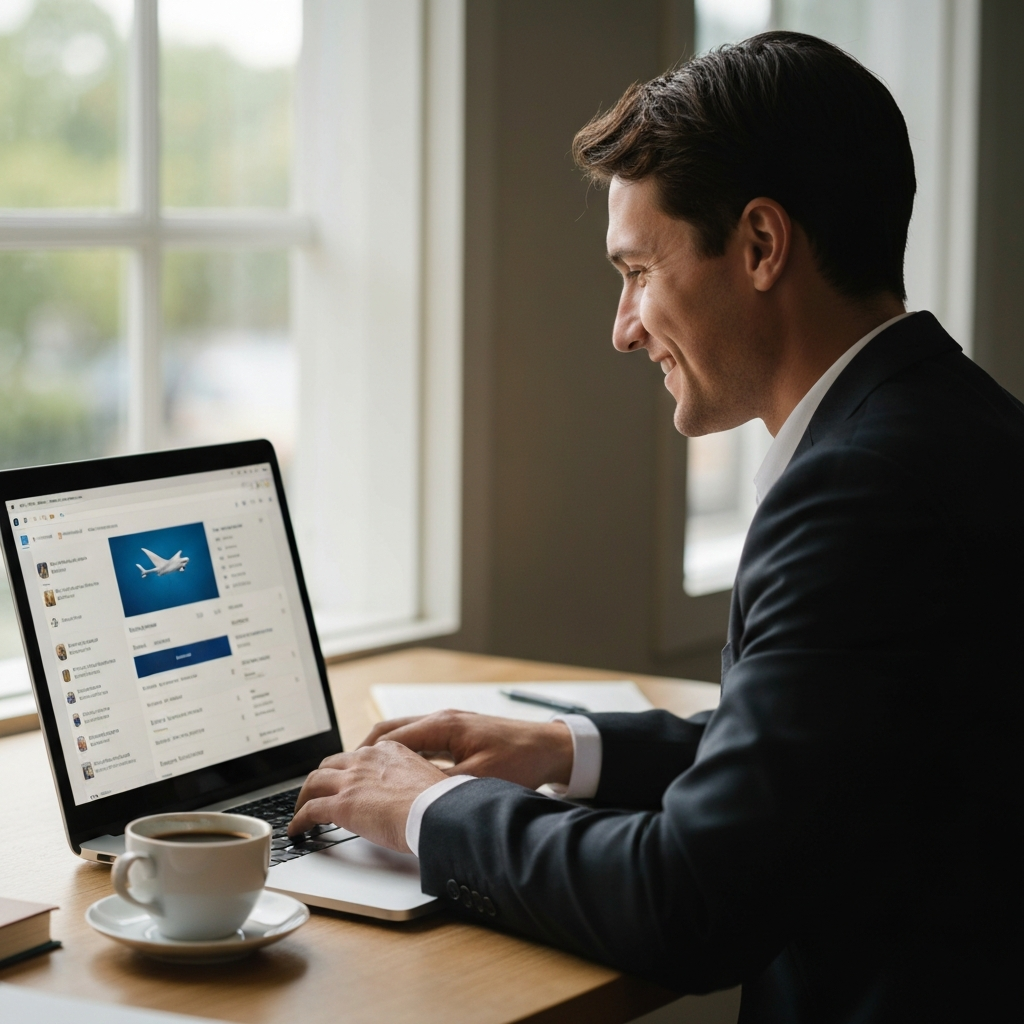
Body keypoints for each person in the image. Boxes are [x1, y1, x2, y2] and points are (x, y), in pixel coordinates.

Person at [289, 32, 1022, 1021]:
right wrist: (567, 748)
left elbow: (691, 897)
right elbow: (829, 741)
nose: (623, 326)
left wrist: (424, 810)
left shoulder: (859, 487)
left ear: (761, 246)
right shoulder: (952, 418)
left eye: (637, 270)